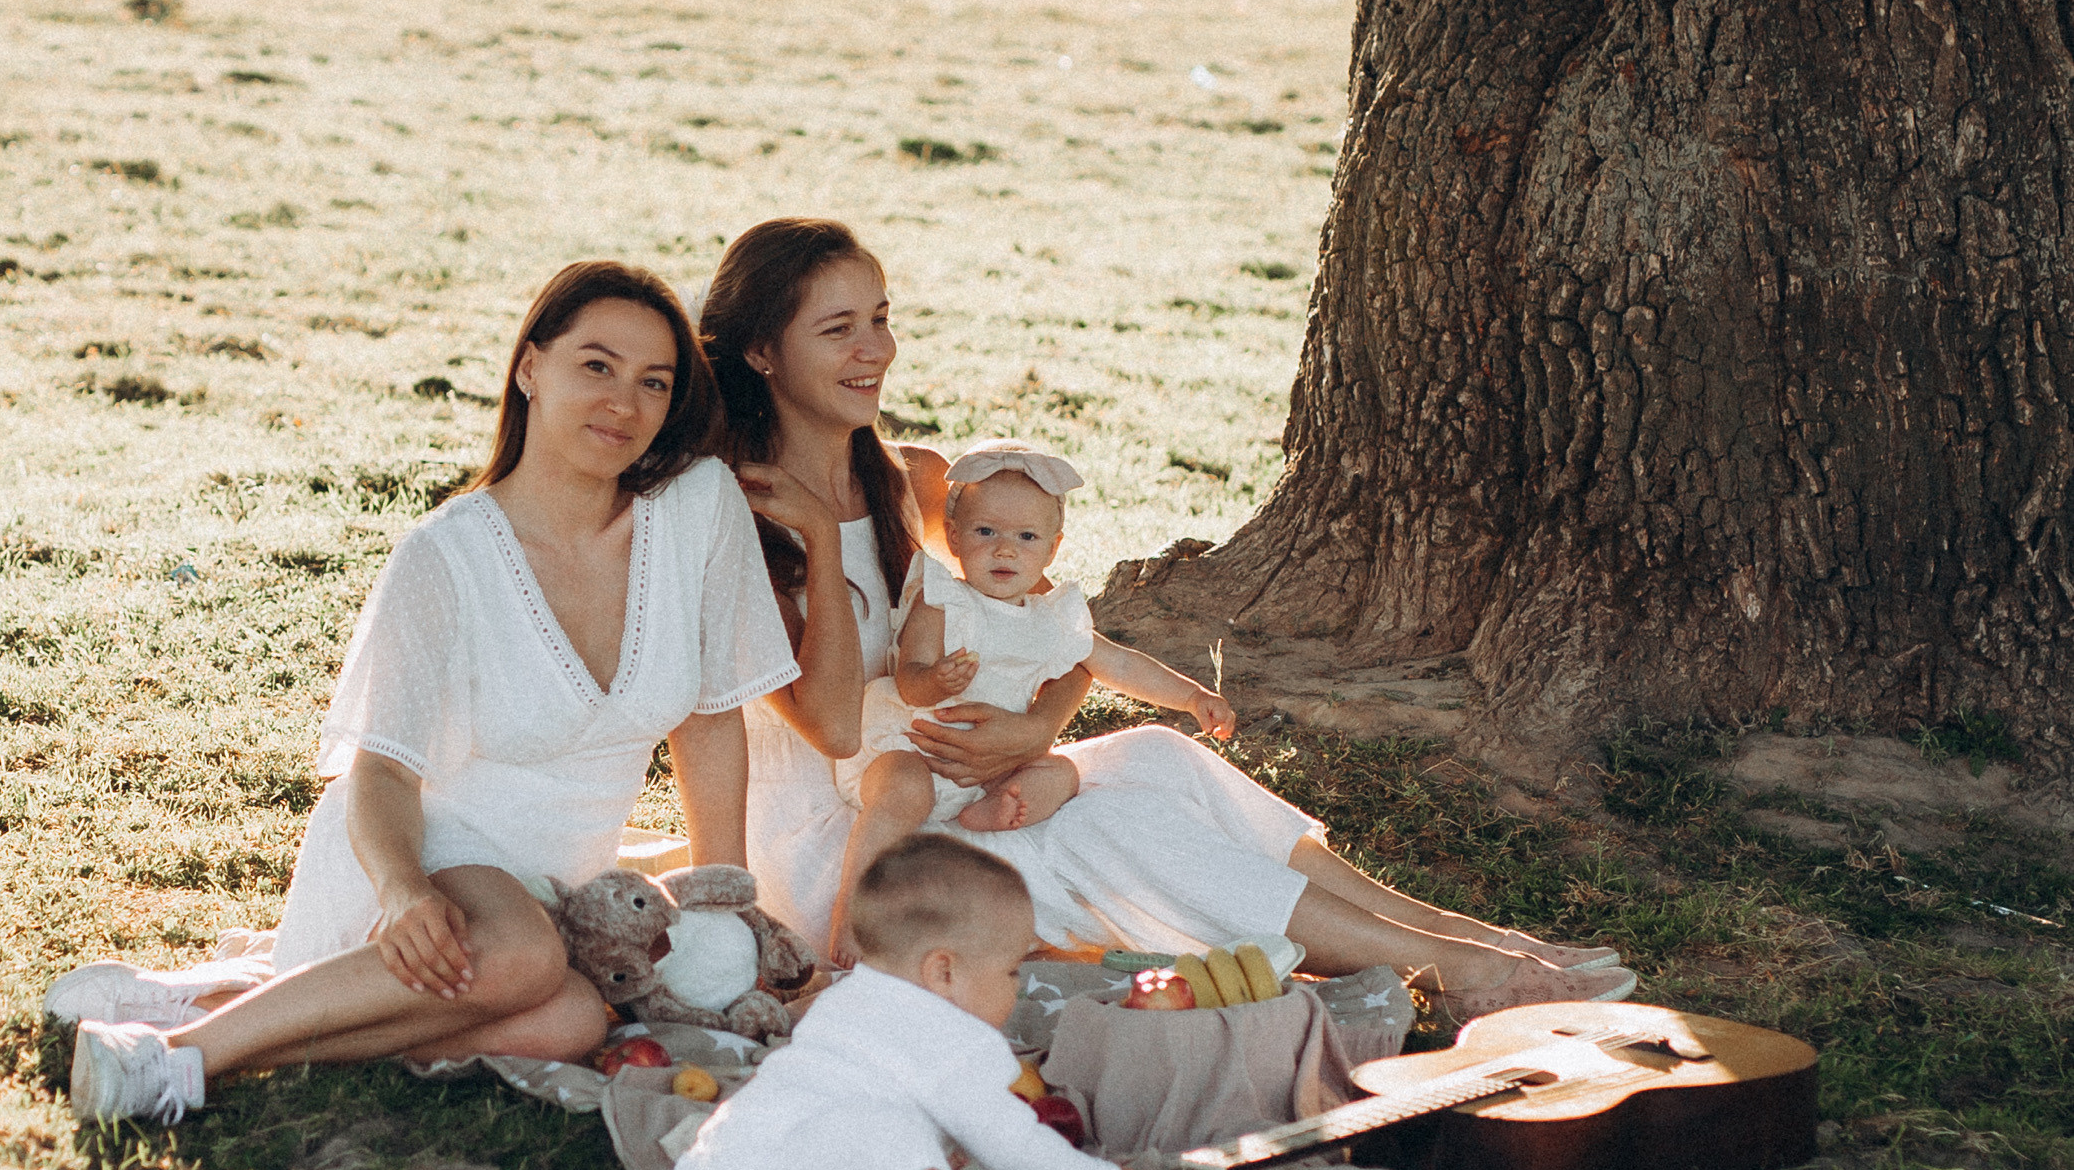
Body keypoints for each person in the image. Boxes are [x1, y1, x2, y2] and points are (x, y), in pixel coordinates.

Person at [699, 218, 1632, 1013]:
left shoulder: (917, 480)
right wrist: (821, 540)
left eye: (881, 319)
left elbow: (1032, 628)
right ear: (761, 352)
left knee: (1157, 756)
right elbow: (824, 723)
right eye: (839, 330)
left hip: (949, 783)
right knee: (1114, 832)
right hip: (848, 849)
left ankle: (1457, 933)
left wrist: (1033, 728)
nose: (877, 351)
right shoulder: (739, 511)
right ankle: (1455, 971)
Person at [67, 259, 799, 1122]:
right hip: (424, 865)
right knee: (526, 959)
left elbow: (710, 719)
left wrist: (725, 901)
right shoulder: (443, 556)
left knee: (568, 1015)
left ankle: (232, 1016)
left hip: (559, 911)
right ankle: (173, 1061)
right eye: (595, 365)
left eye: (654, 381)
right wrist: (405, 890)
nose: (624, 403)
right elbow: (378, 774)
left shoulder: (695, 507)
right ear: (530, 366)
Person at [670, 836, 1150, 1170]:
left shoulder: (842, 999)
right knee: (896, 1146)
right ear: (943, 971)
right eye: (1009, 970)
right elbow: (1015, 1146)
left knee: (841, 1112)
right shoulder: (954, 1044)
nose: (1015, 986)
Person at [830, 437, 1235, 953]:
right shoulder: (942, 600)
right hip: (913, 745)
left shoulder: (1051, 619)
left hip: (992, 765)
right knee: (904, 787)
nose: (1005, 549)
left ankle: (985, 812)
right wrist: (937, 680)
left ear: (1052, 548)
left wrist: (1192, 696)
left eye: (1026, 536)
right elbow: (909, 677)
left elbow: (1115, 662)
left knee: (1059, 774)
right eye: (985, 532)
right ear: (952, 537)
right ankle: (850, 908)